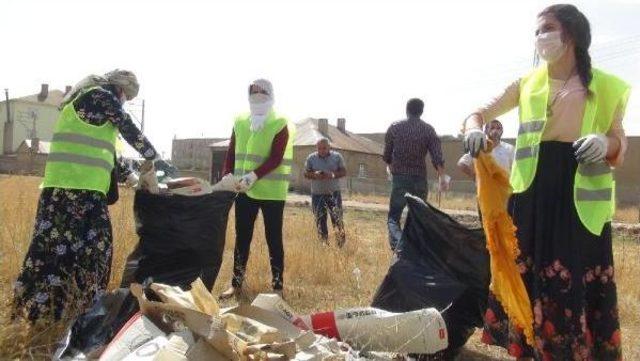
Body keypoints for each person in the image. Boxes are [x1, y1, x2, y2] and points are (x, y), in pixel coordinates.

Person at [463, 4, 629, 359]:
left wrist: (605, 143)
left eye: (547, 29)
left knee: (574, 276)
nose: (540, 37)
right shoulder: (526, 84)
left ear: (570, 35)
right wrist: (474, 128)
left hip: (580, 201)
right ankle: (534, 349)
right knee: (531, 276)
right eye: (537, 31)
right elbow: (478, 112)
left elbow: (619, 141)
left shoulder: (606, 86)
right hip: (532, 195)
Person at [12, 70, 158, 321]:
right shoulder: (100, 96)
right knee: (95, 252)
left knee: (53, 252)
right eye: (127, 97)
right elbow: (127, 126)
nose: (124, 102)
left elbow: (106, 151)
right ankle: (87, 310)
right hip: (78, 193)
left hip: (63, 192)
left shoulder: (85, 105)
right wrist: (153, 157)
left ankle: (49, 308)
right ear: (121, 90)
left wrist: (130, 176)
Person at [220, 79, 294, 300]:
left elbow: (276, 157)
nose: (257, 94)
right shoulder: (240, 120)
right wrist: (227, 174)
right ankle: (236, 284)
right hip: (244, 191)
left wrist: (254, 175)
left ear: (270, 94)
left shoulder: (280, 122)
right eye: (253, 91)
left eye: (262, 91)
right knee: (242, 238)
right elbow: (231, 152)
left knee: (274, 238)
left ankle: (278, 286)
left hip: (271, 192)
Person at [383, 98, 449, 251]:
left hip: (400, 179)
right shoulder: (428, 130)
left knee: (394, 217)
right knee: (417, 216)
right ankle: (415, 250)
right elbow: (437, 156)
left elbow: (387, 155)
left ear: (407, 110)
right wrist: (442, 178)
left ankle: (399, 247)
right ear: (421, 111)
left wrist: (390, 166)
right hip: (420, 179)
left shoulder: (395, 127)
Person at [304, 138, 347, 246]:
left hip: (334, 194)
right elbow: (306, 173)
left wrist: (331, 175)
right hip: (317, 195)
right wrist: (315, 175)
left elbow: (344, 171)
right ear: (316, 148)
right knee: (320, 220)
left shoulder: (337, 157)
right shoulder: (311, 158)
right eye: (319, 148)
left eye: (324, 148)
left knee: (337, 219)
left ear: (329, 147)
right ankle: (324, 244)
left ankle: (340, 245)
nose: (322, 150)